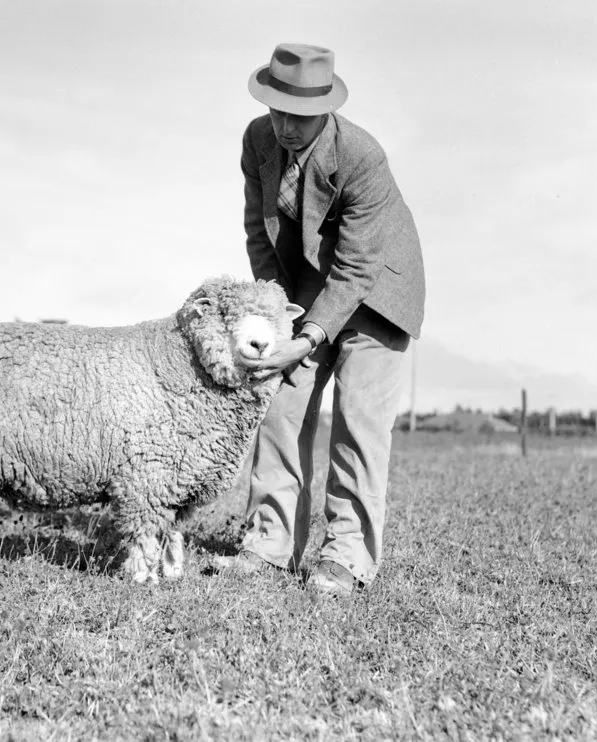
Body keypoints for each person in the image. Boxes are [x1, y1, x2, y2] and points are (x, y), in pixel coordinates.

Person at [214, 43, 425, 596]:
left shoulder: (362, 156)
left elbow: (356, 266)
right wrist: (274, 313)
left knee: (359, 421)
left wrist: (309, 336)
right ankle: (267, 543)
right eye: (275, 109)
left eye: (298, 115)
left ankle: (345, 557)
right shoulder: (256, 140)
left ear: (324, 110)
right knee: (281, 407)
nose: (284, 124)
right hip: (307, 281)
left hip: (380, 286)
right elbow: (259, 233)